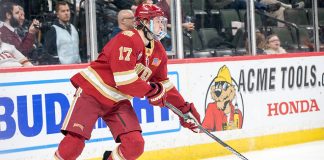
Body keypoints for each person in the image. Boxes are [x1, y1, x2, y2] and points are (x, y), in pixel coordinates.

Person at [54, 4, 201, 160]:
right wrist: (152, 91)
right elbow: (125, 81)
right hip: (92, 93)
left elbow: (165, 86)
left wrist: (184, 110)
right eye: (157, 21)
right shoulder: (126, 39)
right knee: (74, 144)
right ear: (144, 22)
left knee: (134, 144)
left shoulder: (159, 52)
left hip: (118, 102)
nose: (161, 25)